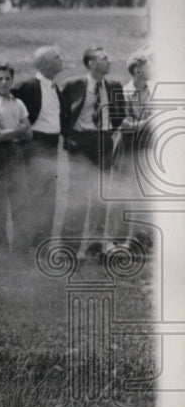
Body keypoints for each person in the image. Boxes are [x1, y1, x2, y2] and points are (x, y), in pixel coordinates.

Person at [60, 47, 126, 257]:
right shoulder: (73, 85)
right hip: (81, 142)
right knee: (77, 195)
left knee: (101, 195)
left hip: (104, 141)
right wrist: (71, 136)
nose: (109, 61)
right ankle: (68, 248)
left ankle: (95, 247)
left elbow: (119, 116)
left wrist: (107, 136)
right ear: (91, 64)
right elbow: (62, 115)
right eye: (104, 58)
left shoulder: (114, 86)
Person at [12, 45, 69, 251]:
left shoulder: (55, 87)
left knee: (48, 196)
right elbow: (7, 105)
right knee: (32, 195)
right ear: (45, 63)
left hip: (52, 146)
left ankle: (41, 243)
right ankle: (23, 244)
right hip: (33, 145)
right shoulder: (28, 86)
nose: (61, 59)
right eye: (57, 56)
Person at [0, 64, 32, 258]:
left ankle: (20, 251)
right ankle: (0, 251)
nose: (4, 82)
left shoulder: (18, 103)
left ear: (12, 81)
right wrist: (18, 130)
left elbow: (30, 132)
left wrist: (18, 132)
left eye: (7, 79)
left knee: (20, 203)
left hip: (16, 153)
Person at [105, 49, 153, 253]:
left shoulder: (151, 92)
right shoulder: (123, 93)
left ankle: (137, 238)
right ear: (138, 70)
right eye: (149, 66)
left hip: (144, 148)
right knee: (121, 194)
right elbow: (123, 126)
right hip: (126, 148)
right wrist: (150, 122)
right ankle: (115, 240)